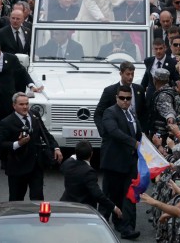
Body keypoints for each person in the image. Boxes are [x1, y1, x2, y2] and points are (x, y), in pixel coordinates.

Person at [0, 40, 37, 177]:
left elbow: (23, 74)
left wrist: (31, 86)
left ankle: (6, 159)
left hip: (7, 101)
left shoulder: (11, 59)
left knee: (8, 130)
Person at [0, 92, 62, 201]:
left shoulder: (34, 115)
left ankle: (37, 218)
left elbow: (44, 133)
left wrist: (56, 148)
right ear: (14, 106)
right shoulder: (6, 122)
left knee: (37, 199)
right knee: (16, 201)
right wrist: (19, 143)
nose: (25, 107)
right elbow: (1, 144)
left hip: (36, 165)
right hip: (18, 167)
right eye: (21, 104)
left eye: (27, 104)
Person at [99, 85, 141, 240]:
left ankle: (127, 228)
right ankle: (100, 225)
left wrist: (149, 143)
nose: (125, 101)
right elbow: (114, 132)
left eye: (128, 98)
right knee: (110, 196)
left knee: (130, 195)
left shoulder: (131, 114)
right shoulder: (110, 112)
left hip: (130, 162)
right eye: (122, 98)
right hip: (114, 162)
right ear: (116, 98)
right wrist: (134, 143)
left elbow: (139, 133)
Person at [76, 0, 144, 54]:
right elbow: (90, 3)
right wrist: (100, 17)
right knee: (89, 49)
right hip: (90, 21)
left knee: (105, 47)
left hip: (106, 21)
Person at [60, 139, 122, 218]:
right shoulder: (89, 172)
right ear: (91, 154)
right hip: (83, 210)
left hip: (67, 206)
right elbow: (98, 194)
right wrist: (114, 208)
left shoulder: (67, 164)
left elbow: (69, 160)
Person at [94, 61, 147, 135]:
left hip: (135, 135)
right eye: (128, 74)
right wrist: (104, 132)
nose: (130, 77)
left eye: (132, 74)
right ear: (121, 74)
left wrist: (143, 131)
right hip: (117, 135)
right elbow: (98, 114)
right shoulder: (110, 91)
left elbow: (144, 112)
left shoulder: (139, 89)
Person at [141, 38, 179, 105]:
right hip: (150, 96)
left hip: (166, 97)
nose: (158, 51)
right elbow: (146, 77)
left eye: (160, 48)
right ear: (152, 50)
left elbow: (176, 80)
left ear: (165, 48)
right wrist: (140, 91)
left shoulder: (172, 62)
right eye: (156, 49)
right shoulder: (148, 61)